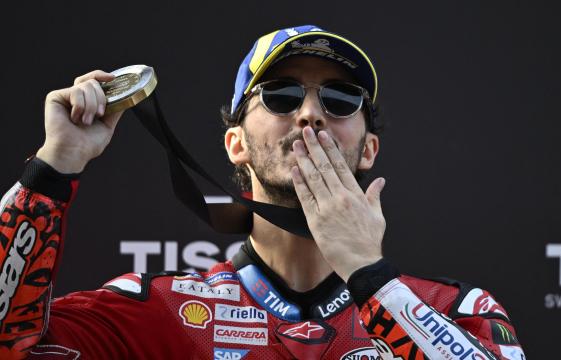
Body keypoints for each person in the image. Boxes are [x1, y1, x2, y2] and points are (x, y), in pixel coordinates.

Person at [0, 25, 526, 360]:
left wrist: (369, 274)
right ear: (236, 144)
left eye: (341, 99)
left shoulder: (456, 310)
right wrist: (53, 168)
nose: (310, 113)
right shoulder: (156, 310)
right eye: (281, 94)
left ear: (369, 149)